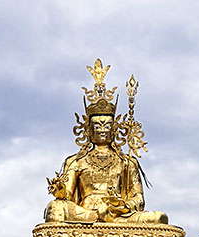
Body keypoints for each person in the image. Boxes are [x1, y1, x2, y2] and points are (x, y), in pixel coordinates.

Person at [44, 62, 167, 225]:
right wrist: (59, 190)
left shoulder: (127, 162)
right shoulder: (75, 161)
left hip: (117, 217)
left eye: (107, 126)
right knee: (55, 209)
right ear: (88, 130)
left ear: (114, 130)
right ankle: (97, 220)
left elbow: (139, 199)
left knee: (159, 218)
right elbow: (67, 198)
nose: (102, 130)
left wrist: (121, 206)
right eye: (97, 126)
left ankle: (104, 220)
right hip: (85, 216)